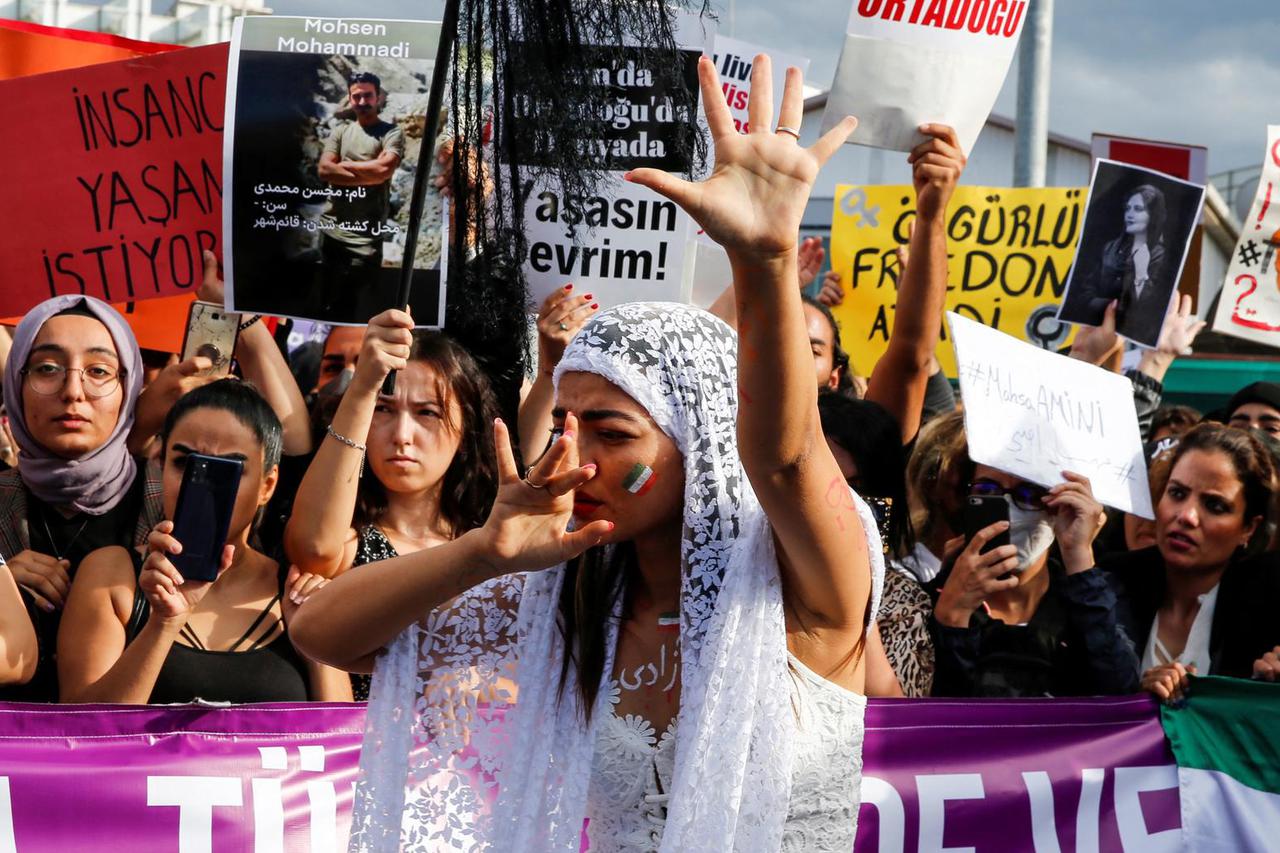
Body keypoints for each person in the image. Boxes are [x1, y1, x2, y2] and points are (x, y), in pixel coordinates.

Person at [292, 56, 881, 851]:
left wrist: (767, 262)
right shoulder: (570, 594)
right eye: (566, 422)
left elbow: (784, 459)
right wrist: (484, 552)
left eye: (612, 430)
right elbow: (323, 632)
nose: (575, 453)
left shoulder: (807, 583)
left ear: (700, 440)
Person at [56, 380, 350, 704]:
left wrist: (314, 644)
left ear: (267, 485)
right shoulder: (112, 575)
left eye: (230, 469)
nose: (205, 485)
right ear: (160, 466)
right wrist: (163, 623)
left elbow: (345, 731)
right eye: (185, 463)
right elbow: (84, 725)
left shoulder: (295, 592)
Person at [284, 312, 499, 698]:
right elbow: (313, 546)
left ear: (466, 428)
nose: (402, 435)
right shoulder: (348, 548)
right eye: (383, 410)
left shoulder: (493, 553)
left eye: (427, 412)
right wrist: (364, 387)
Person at [0, 296, 159, 701]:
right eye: (47, 369)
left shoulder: (171, 502)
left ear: (129, 388)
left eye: (99, 371)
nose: (73, 392)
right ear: (16, 386)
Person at [925, 421, 1140, 697]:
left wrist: (1079, 556)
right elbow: (935, 713)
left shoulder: (1094, 600)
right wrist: (952, 617)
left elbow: (1122, 694)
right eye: (988, 490)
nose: (1010, 509)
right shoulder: (927, 602)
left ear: (1061, 503)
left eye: (1030, 494)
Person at [1101, 425, 1280, 702]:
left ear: (1248, 528)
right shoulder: (1109, 583)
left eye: (1215, 506)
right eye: (1177, 493)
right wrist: (1137, 699)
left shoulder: (1269, 608)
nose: (1186, 516)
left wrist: (1264, 688)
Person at [819, 391, 933, 697]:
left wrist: (855, 599)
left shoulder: (903, 602)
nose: (840, 502)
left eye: (857, 489)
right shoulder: (746, 576)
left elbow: (894, 718)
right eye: (823, 482)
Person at [317, 71, 406, 319]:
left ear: (378, 97)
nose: (363, 101)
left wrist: (344, 166)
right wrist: (370, 172)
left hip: (365, 240)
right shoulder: (340, 131)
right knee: (323, 305)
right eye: (357, 96)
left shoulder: (391, 133)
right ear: (350, 98)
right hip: (331, 234)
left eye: (368, 95)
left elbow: (383, 170)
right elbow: (324, 170)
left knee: (358, 310)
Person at [1074, 185, 1171, 345]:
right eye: (1128, 208)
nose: (1129, 215)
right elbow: (1085, 291)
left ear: (1153, 215)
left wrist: (1141, 272)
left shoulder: (1160, 255)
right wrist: (1109, 307)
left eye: (1138, 209)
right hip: (1096, 331)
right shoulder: (1110, 248)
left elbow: (1148, 306)